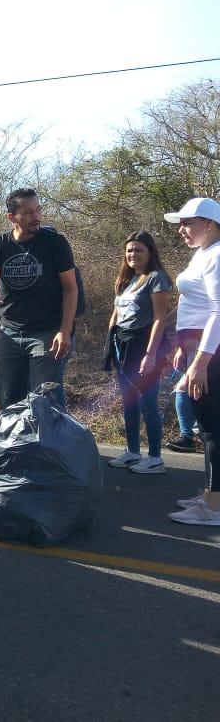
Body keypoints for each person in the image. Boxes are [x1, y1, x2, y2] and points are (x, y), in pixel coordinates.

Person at [0, 188, 78, 410]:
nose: (36, 217)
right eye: (28, 212)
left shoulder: (54, 242)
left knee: (45, 402)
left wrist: (65, 330)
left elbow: (71, 288)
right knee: (9, 401)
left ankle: (52, 445)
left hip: (47, 333)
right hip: (10, 333)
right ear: (11, 217)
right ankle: (15, 445)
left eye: (38, 210)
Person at [164, 197, 220, 526]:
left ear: (210, 224)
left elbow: (218, 311)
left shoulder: (216, 256)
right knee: (211, 427)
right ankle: (211, 496)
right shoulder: (204, 254)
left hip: (210, 354)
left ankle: (213, 509)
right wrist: (182, 349)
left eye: (188, 223)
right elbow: (193, 305)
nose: (182, 230)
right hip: (199, 348)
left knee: (213, 430)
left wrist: (200, 362)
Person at [102, 232, 172, 474]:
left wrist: (151, 354)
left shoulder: (156, 278)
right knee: (129, 401)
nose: (133, 254)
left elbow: (159, 319)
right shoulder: (127, 279)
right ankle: (133, 451)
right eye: (129, 250)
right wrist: (110, 344)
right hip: (123, 347)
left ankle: (155, 459)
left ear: (150, 252)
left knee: (148, 403)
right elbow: (117, 313)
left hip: (145, 347)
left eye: (139, 250)